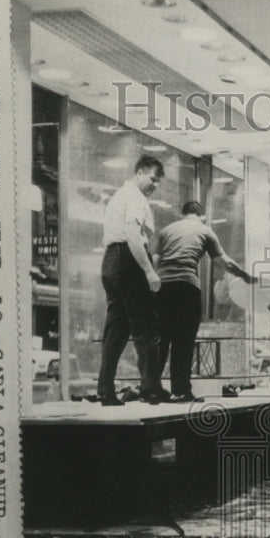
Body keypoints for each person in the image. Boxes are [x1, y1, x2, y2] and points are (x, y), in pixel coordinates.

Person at [153, 201, 256, 403]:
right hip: (186, 287)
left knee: (161, 340)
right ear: (202, 216)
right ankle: (180, 391)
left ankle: (153, 390)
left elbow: (153, 259)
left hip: (162, 288)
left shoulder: (164, 231)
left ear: (182, 215)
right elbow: (223, 262)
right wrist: (245, 276)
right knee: (183, 341)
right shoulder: (205, 230)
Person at [96, 155, 169, 406]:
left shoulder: (119, 196)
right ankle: (151, 388)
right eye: (152, 178)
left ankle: (105, 389)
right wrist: (149, 270)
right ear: (139, 172)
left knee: (116, 328)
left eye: (158, 181)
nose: (155, 185)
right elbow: (132, 235)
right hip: (129, 261)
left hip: (110, 262)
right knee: (146, 327)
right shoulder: (135, 198)